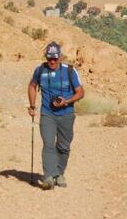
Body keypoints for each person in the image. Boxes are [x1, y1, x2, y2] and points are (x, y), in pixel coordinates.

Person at [27, 42, 85, 190]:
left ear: (59, 57)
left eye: (55, 58)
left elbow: (80, 92)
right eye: (49, 58)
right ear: (46, 57)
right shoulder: (40, 70)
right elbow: (32, 86)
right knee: (48, 144)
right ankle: (48, 177)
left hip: (66, 114)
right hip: (47, 113)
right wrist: (32, 105)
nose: (52, 61)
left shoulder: (70, 71)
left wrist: (67, 101)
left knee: (63, 146)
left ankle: (59, 173)